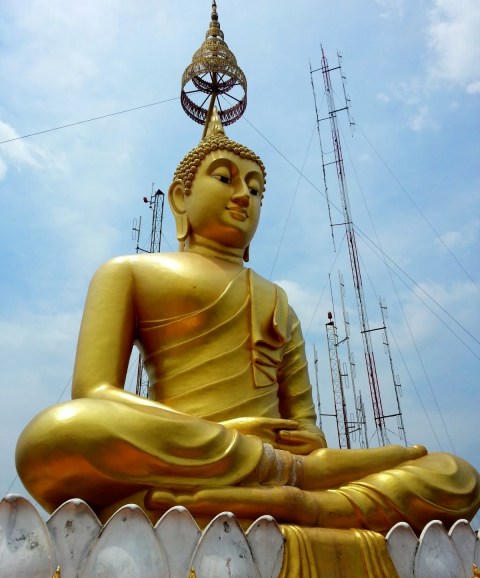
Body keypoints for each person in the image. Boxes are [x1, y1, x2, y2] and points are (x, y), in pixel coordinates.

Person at [15, 110, 480, 532]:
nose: (244, 197)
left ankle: (306, 505)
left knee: (456, 476)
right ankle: (296, 488)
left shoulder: (278, 300)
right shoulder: (128, 272)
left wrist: (306, 443)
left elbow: (304, 426)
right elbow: (94, 392)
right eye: (226, 179)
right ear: (180, 198)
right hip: (195, 449)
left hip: (270, 465)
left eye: (257, 190)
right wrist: (234, 436)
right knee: (56, 435)